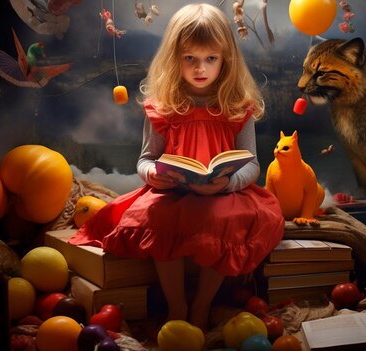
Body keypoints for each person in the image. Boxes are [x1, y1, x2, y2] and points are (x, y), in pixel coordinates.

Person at [69, 3, 284, 330]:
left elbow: (252, 163)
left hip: (222, 194)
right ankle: (176, 304)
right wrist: (155, 175)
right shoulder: (164, 106)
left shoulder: (237, 106)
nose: (201, 68)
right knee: (155, 216)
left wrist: (227, 184)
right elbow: (144, 160)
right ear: (175, 58)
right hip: (172, 193)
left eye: (211, 58)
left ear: (227, 59)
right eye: (190, 59)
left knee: (226, 221)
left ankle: (201, 304)